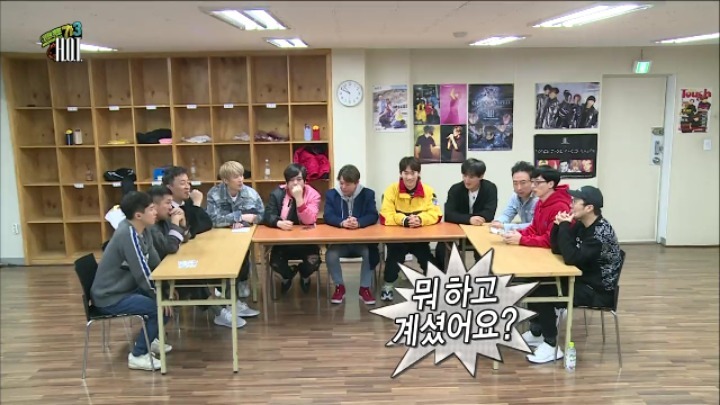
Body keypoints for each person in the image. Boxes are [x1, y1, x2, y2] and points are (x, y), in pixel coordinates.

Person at [524, 186, 623, 364]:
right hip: (582, 279)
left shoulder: (600, 234)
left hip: (597, 291)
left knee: (542, 290)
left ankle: (551, 345)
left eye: (576, 202)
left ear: (589, 208)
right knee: (535, 281)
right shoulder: (582, 224)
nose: (571, 205)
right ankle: (538, 331)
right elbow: (558, 249)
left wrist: (563, 226)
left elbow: (571, 258)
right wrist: (557, 226)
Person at [90, 191, 171, 371]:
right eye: (151, 209)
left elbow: (154, 261)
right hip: (110, 296)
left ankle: (150, 339)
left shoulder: (144, 230)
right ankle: (138, 355)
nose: (155, 212)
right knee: (159, 308)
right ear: (138, 215)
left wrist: (166, 287)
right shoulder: (128, 234)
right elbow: (141, 272)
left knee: (167, 302)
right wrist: (159, 296)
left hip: (125, 289)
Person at [379, 156, 442, 301]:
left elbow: (436, 214)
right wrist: (404, 220)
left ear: (418, 173)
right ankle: (388, 285)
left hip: (419, 238)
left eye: (413, 173)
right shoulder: (391, 190)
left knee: (427, 259)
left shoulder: (428, 190)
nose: (409, 177)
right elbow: (385, 215)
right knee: (394, 259)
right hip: (397, 239)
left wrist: (420, 219)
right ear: (400, 174)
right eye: (405, 173)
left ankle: (436, 285)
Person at [204, 160, 262, 318]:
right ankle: (228, 298)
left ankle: (236, 296)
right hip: (219, 239)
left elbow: (261, 215)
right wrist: (239, 217)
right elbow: (213, 220)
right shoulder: (214, 194)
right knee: (223, 260)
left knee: (242, 257)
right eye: (236, 177)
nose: (240, 179)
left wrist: (245, 221)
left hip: (242, 237)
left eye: (241, 175)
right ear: (225, 180)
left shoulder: (250, 193)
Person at [323, 164, 380, 305]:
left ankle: (364, 288)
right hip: (340, 243)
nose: (343, 187)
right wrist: (342, 223)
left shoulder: (368, 194)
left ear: (357, 183)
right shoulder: (332, 194)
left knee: (370, 253)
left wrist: (359, 222)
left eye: (347, 184)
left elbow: (373, 215)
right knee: (330, 255)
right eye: (341, 183)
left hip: (361, 243)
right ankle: (339, 286)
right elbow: (327, 216)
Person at [263, 163, 322, 294]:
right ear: (286, 182)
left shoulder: (313, 194)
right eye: (291, 180)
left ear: (305, 181)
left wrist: (299, 199)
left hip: (307, 242)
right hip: (283, 242)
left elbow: (309, 220)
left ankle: (304, 276)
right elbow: (267, 215)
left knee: (313, 262)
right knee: (275, 263)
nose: (295, 183)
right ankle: (288, 276)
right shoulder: (277, 194)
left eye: (299, 179)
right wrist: (278, 222)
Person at [437, 158, 497, 266]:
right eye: (464, 175)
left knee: (486, 249)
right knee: (442, 246)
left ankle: (482, 273)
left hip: (480, 229)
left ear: (481, 176)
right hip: (458, 229)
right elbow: (449, 214)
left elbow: (489, 213)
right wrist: (469, 219)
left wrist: (476, 219)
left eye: (471, 177)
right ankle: (443, 272)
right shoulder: (455, 189)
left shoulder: (490, 188)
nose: (467, 180)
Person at [501, 165, 571, 248]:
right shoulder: (540, 202)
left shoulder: (560, 207)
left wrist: (522, 239)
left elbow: (551, 239)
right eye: (532, 182)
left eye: (537, 183)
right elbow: (534, 228)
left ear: (550, 184)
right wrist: (516, 233)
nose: (533, 186)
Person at [162, 166, 212, 238]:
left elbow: (207, 223)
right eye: (182, 183)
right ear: (169, 187)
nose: (187, 187)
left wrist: (195, 206)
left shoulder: (188, 202)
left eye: (188, 183)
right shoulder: (167, 209)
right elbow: (189, 233)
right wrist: (196, 205)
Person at [490, 161, 538, 233]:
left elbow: (535, 225)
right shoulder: (515, 196)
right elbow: (507, 215)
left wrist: (505, 226)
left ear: (533, 181)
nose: (519, 188)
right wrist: (498, 222)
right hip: (525, 234)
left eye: (523, 183)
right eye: (515, 183)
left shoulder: (539, 198)